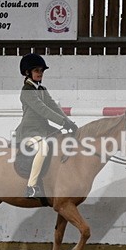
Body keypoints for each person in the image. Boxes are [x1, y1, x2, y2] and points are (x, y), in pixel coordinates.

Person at [15, 53, 78, 199]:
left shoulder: (42, 89)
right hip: (28, 132)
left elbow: (53, 106)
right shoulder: (27, 91)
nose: (40, 73)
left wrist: (68, 121)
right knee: (43, 148)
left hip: (44, 130)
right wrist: (62, 122)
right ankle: (31, 187)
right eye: (36, 70)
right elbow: (42, 109)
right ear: (27, 72)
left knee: (64, 140)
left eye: (41, 71)